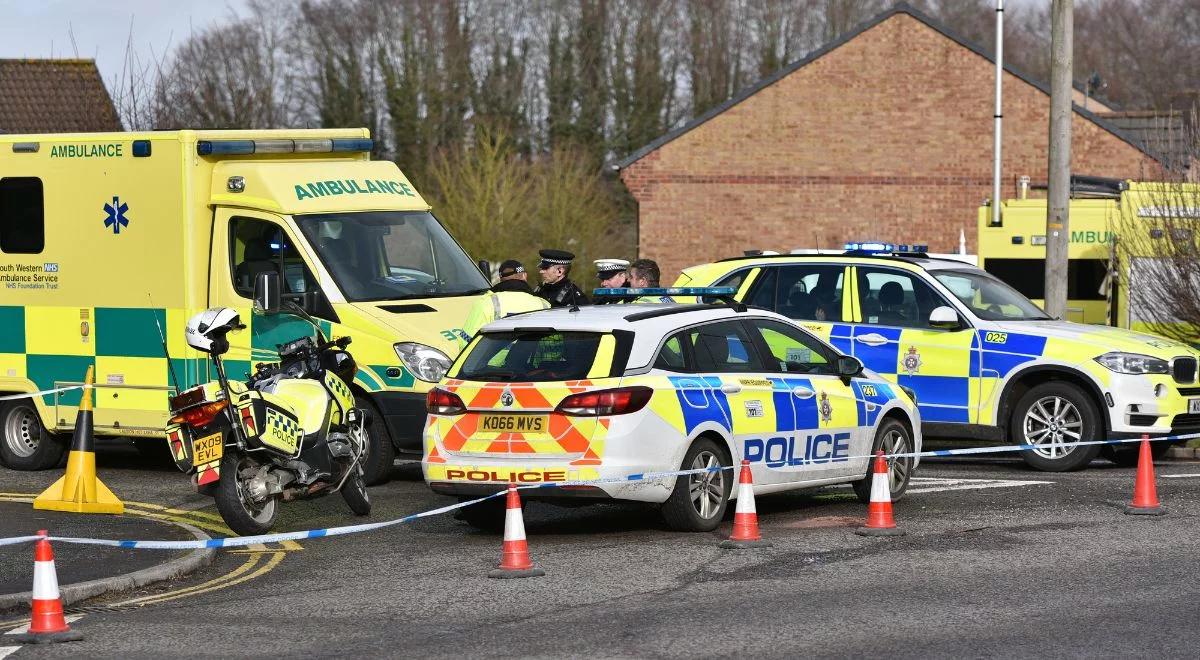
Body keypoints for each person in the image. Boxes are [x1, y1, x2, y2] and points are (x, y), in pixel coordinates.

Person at [460, 259, 550, 340]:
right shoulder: (544, 304)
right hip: (531, 358)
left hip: (491, 358)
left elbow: (466, 339)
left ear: (500, 279)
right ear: (524, 276)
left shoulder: (486, 302)